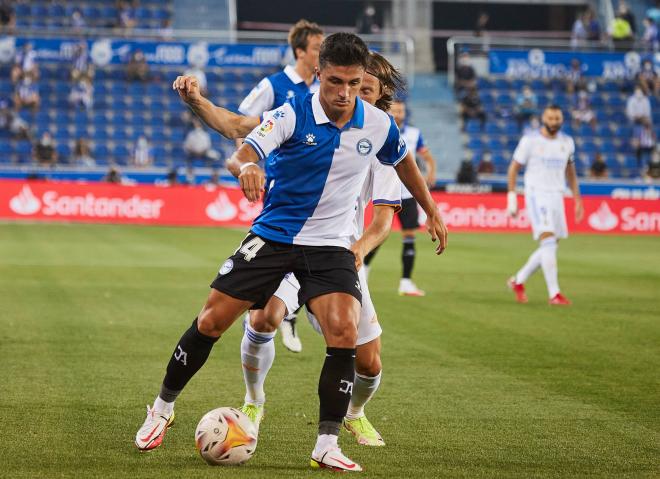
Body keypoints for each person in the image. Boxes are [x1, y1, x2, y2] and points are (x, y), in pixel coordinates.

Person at [137, 33, 448, 473]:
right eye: (336, 82)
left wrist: (432, 209)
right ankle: (161, 410)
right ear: (319, 74)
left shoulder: (378, 124)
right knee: (211, 320)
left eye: (354, 84)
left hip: (330, 246)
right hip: (275, 235)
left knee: (343, 331)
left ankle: (326, 444)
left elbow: (403, 160)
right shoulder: (290, 112)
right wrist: (247, 167)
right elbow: (243, 149)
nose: (344, 94)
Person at [178, 51, 408, 448]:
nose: (352, 96)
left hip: (338, 254)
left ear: (378, 95)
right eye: (348, 85)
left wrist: (360, 247)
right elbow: (238, 124)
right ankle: (254, 402)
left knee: (368, 362)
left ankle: (355, 413)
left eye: (363, 89)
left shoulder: (383, 141)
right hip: (290, 242)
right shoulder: (306, 116)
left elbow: (384, 220)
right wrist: (198, 102)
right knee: (263, 318)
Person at [236, 18, 324, 352]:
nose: (321, 53)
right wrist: (249, 164)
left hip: (317, 186)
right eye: (317, 48)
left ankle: (285, 311)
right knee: (282, 249)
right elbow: (240, 124)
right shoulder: (273, 85)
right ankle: (272, 311)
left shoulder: (324, 88)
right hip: (280, 185)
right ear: (300, 51)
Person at [506, 105, 583, 305]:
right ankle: (554, 294)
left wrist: (577, 199)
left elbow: (571, 173)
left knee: (550, 246)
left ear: (562, 119)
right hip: (536, 194)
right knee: (548, 242)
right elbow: (513, 168)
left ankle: (518, 280)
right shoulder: (530, 141)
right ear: (543, 118)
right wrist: (512, 196)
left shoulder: (567, 142)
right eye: (550, 118)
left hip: (557, 195)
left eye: (557, 118)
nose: (554, 122)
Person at [363, 98, 437, 296]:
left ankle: (405, 282)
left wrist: (431, 172)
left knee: (409, 237)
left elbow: (426, 155)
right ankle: (363, 271)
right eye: (395, 110)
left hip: (408, 193)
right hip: (386, 191)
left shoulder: (414, 134)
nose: (399, 114)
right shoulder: (381, 129)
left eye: (401, 110)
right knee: (378, 233)